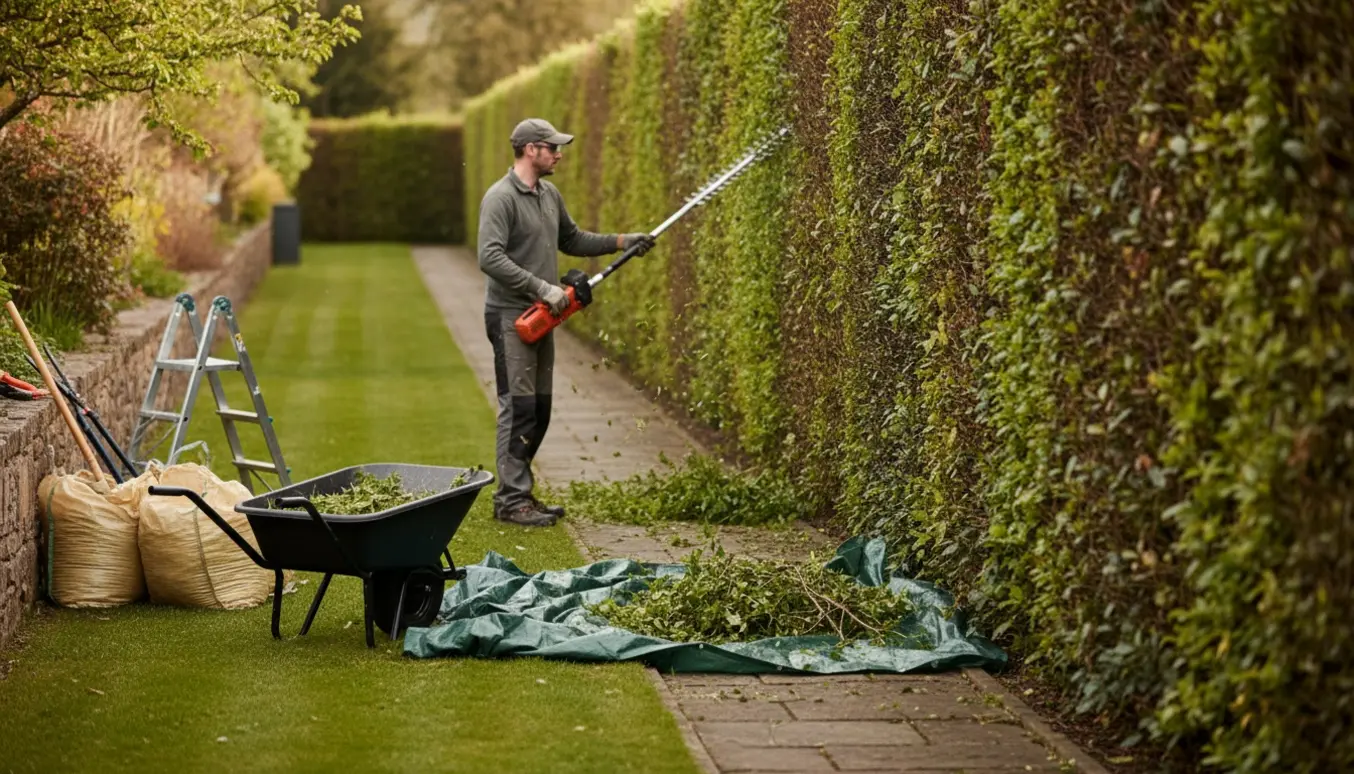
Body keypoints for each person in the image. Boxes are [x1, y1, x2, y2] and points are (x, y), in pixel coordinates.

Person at [477, 118, 654, 527]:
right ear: (528, 149)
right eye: (551, 146)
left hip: (543, 315)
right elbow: (489, 257)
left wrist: (624, 241)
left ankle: (519, 492)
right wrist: (542, 287)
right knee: (517, 408)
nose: (558, 153)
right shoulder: (500, 198)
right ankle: (510, 500)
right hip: (510, 316)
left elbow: (572, 239)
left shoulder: (548, 194)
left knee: (540, 409)